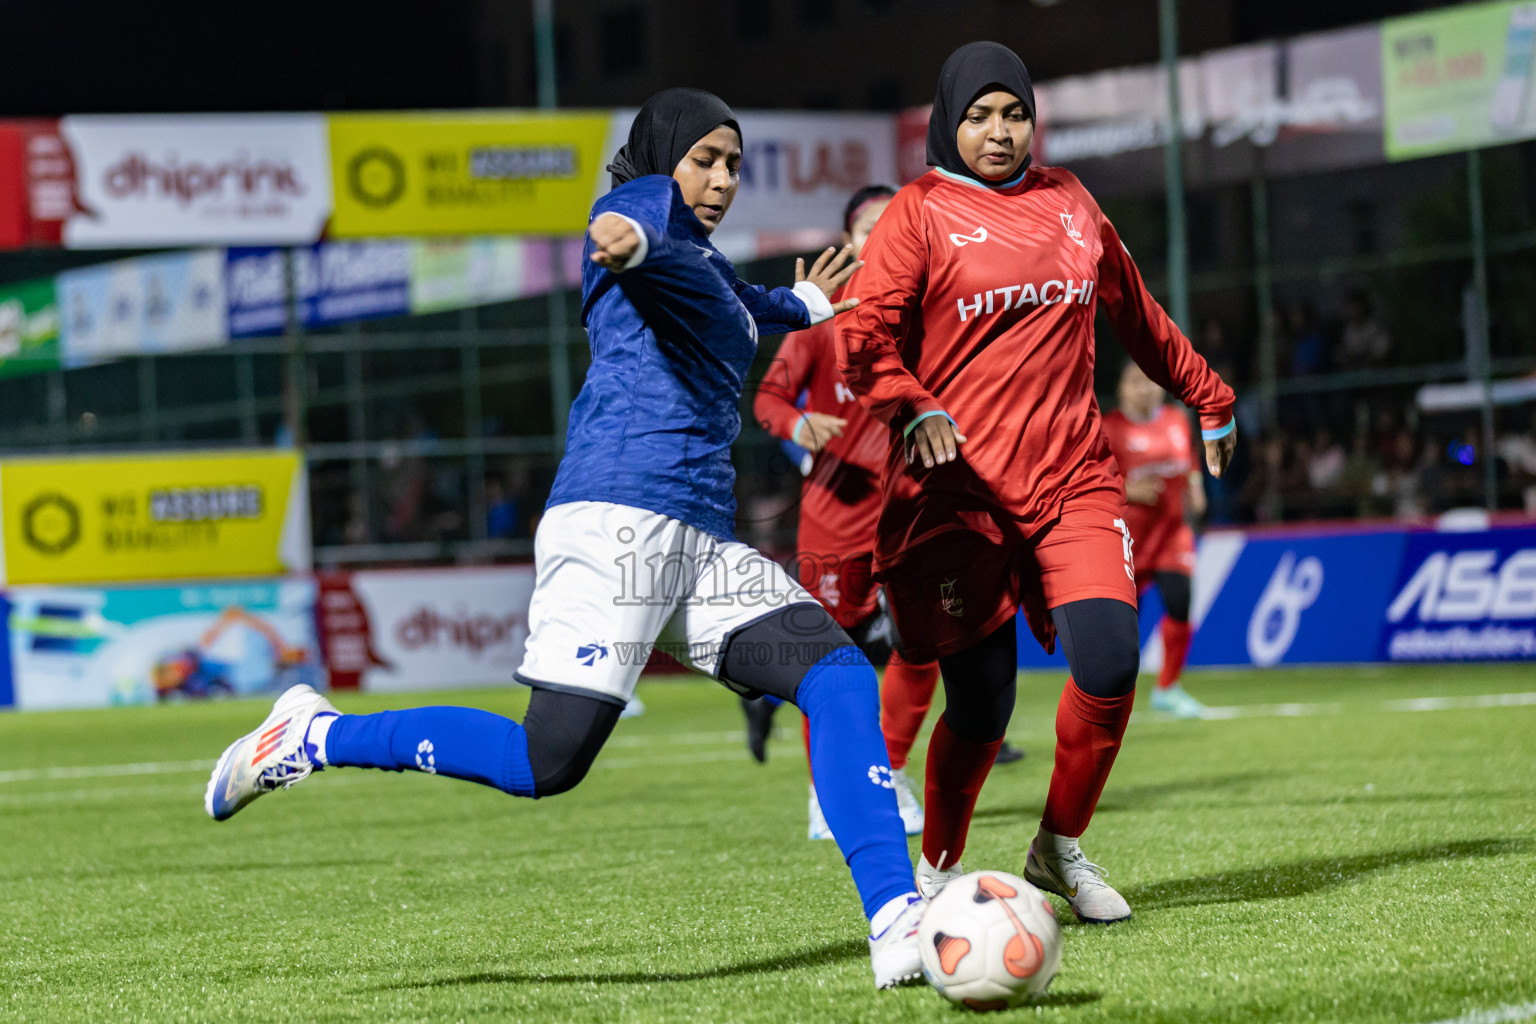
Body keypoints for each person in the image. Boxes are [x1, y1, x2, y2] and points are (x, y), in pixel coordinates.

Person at [204, 88, 928, 990]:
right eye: (704, 158)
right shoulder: (643, 211)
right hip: (620, 521)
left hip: (697, 545)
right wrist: (624, 240)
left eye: (734, 164)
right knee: (542, 762)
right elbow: (633, 229)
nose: (721, 179)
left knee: (836, 675)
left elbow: (735, 300)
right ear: (662, 156)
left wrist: (804, 302)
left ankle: (898, 919)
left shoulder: (702, 264)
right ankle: (313, 735)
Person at [837, 42, 1237, 922]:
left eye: (1013, 113)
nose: (999, 131)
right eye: (979, 114)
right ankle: (937, 869)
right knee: (980, 706)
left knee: (1108, 662)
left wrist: (1209, 393)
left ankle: (1057, 845)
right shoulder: (918, 213)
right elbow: (868, 341)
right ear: (949, 120)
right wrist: (913, 405)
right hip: (957, 497)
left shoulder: (1070, 202)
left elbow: (1135, 309)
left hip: (1073, 480)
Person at [746, 184, 1023, 842]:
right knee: (826, 661)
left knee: (923, 649)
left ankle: (889, 770)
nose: (886, 232)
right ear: (849, 242)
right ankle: (825, 793)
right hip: (836, 519)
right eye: (871, 224)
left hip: (915, 512)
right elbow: (768, 400)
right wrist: (797, 422)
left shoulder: (936, 316)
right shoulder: (825, 320)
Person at [1102, 362, 1209, 719]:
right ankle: (1110, 693)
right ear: (1121, 389)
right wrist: (1128, 488)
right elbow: (1093, 477)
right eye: (1135, 382)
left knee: (1180, 600)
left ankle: (1168, 687)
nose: (1145, 389)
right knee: (1125, 624)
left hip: (1172, 531)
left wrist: (1195, 487)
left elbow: (1190, 460)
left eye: (1151, 382)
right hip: (1128, 537)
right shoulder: (1109, 428)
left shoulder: (1177, 420)